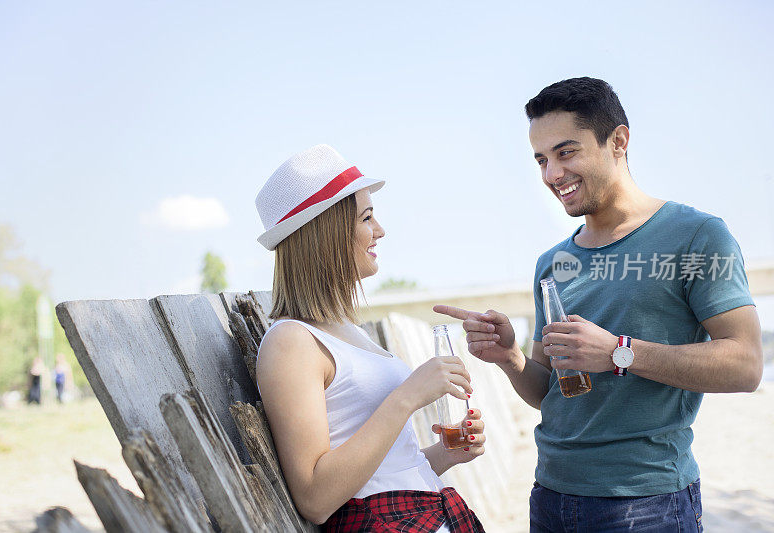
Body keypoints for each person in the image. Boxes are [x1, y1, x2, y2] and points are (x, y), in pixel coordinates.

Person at [435, 77, 763, 532]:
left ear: (619, 141)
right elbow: (552, 393)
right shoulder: (552, 263)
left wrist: (617, 352)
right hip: (550, 497)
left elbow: (745, 365)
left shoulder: (697, 235)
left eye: (566, 153)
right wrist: (509, 358)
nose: (552, 174)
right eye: (542, 160)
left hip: (647, 503)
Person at [254, 144, 486, 532]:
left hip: (425, 514)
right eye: (366, 217)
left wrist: (444, 453)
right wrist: (408, 396)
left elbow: (386, 475)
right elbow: (315, 498)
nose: (380, 230)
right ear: (326, 233)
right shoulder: (291, 342)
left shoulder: (348, 333)